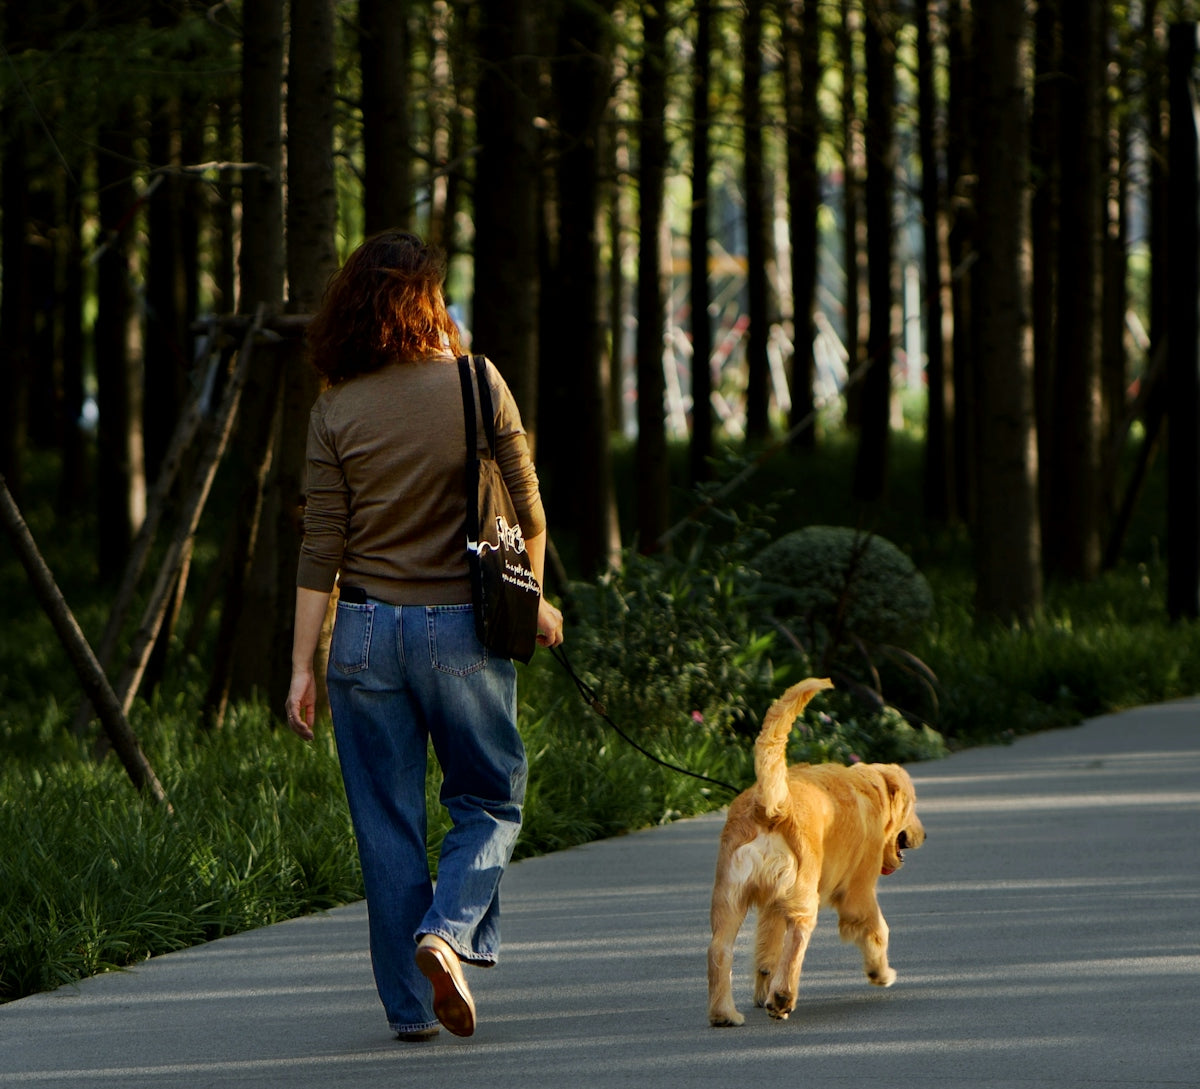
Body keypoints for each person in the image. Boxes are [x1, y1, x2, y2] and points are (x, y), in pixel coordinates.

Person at [284, 230, 564, 1043]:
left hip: (364, 634)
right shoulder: (479, 384)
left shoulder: (335, 405)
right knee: (489, 797)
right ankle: (447, 929)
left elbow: (321, 548)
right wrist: (532, 600)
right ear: (428, 301)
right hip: (461, 633)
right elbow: (530, 511)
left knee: (386, 821)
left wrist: (302, 664)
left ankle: (409, 1009)